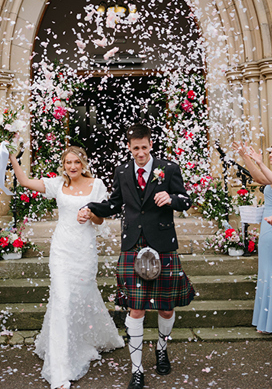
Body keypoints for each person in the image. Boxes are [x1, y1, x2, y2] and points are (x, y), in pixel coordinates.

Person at [79, 124, 194, 389]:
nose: (140, 153)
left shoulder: (169, 168)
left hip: (163, 245)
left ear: (150, 145)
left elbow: (185, 200)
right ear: (129, 148)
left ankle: (162, 350)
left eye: (144, 147)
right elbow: (114, 204)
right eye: (135, 148)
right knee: (136, 308)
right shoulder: (121, 171)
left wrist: (172, 198)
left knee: (166, 308)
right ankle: (137, 368)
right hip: (132, 245)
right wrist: (90, 207)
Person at [9, 147, 124, 389]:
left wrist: (90, 214)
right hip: (61, 250)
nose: (72, 167)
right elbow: (23, 181)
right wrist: (11, 158)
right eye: (68, 162)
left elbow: (101, 218)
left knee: (80, 299)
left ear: (83, 163)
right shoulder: (56, 184)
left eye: (76, 162)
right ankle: (60, 370)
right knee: (62, 301)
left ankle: (84, 340)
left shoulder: (97, 185)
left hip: (84, 251)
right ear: (63, 164)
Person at [233, 140, 272, 334]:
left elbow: (263, 179)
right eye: (270, 152)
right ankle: (270, 322)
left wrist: (258, 161)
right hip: (268, 224)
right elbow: (257, 177)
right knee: (268, 273)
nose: (271, 155)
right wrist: (246, 156)